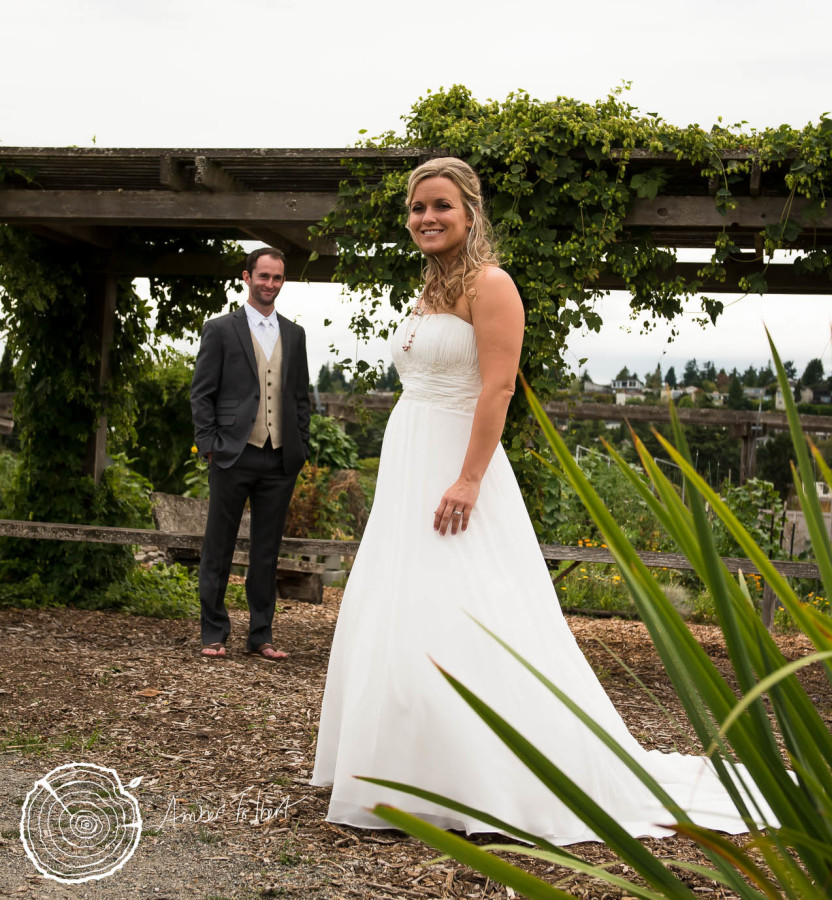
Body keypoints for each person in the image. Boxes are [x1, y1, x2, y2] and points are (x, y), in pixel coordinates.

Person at [311, 159, 765, 844]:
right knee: (406, 609)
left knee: (468, 610)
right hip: (410, 463)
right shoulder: (429, 289)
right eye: (416, 210)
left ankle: (487, 778)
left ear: (469, 213)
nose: (426, 219)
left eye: (440, 207)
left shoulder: (491, 287)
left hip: (456, 469)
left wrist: (468, 479)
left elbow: (496, 390)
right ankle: (403, 774)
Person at [190, 247, 311, 661]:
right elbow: (201, 393)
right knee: (218, 546)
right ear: (247, 277)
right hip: (231, 454)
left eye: (277, 278)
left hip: (279, 459)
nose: (270, 284)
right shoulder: (221, 329)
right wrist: (209, 445)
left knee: (266, 551)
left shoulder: (295, 334)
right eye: (263, 276)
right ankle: (213, 632)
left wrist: (301, 442)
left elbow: (300, 397)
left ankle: (261, 635)